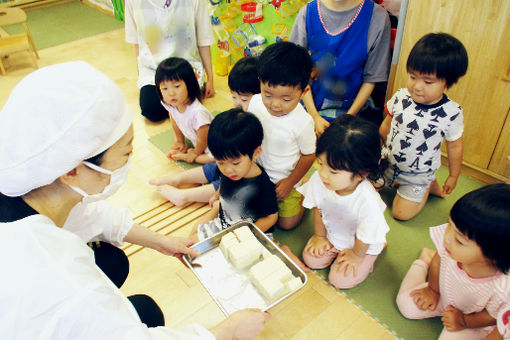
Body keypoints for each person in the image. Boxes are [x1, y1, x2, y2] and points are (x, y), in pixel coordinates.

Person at [0, 61, 269, 339]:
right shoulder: (64, 282)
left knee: (115, 263)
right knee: (145, 313)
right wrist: (226, 331)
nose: (129, 163)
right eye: (126, 154)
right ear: (72, 170)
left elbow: (92, 217)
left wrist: (164, 242)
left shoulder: (34, 188)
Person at [396, 184, 510, 340]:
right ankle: (423, 261)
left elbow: (492, 315)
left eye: (460, 240)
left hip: (472, 317)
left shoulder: (502, 287)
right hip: (443, 294)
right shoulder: (451, 245)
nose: (447, 238)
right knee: (406, 305)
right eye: (450, 225)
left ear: (494, 256)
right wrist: (432, 290)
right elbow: (437, 262)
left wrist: (464, 321)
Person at [379, 33, 468, 221]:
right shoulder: (401, 96)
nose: (417, 86)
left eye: (428, 81)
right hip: (388, 163)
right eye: (412, 76)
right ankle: (413, 184)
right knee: (365, 189)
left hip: (418, 174)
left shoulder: (451, 112)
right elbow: (387, 125)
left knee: (400, 214)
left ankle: (427, 185)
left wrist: (453, 175)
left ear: (448, 82)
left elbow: (455, 146)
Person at [149, 56, 261, 206]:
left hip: (245, 170)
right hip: (232, 160)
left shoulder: (258, 121)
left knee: (228, 179)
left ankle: (184, 196)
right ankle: (178, 179)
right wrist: (179, 141)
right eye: (234, 97)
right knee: (216, 167)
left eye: (244, 100)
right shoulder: (242, 115)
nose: (238, 104)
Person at [297, 115, 389, 289]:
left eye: (333, 171)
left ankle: (379, 247)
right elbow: (320, 208)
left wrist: (356, 255)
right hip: (335, 234)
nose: (323, 173)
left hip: (361, 245)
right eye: (320, 163)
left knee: (339, 280)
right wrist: (320, 236)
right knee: (310, 259)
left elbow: (365, 234)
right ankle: (334, 247)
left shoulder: (367, 201)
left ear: (361, 173)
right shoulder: (321, 180)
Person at [290, 0, 391, 135]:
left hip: (353, 110)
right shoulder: (307, 13)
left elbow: (372, 77)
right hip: (307, 106)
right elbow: (296, 73)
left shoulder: (377, 16)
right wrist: (314, 117)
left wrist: (348, 119)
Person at [248, 41, 316, 230]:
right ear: (260, 82)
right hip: (258, 173)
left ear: (303, 92)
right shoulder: (254, 103)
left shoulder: (303, 122)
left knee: (287, 225)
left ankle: (305, 189)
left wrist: (291, 182)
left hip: (286, 179)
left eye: (286, 99)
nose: (275, 104)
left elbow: (309, 155)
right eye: (268, 94)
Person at [191, 108, 279, 241]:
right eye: (220, 163)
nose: (227, 170)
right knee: (192, 237)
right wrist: (217, 194)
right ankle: (216, 209)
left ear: (255, 153)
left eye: (236, 163)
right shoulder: (230, 170)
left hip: (253, 233)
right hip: (226, 223)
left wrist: (246, 235)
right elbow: (223, 181)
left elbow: (271, 217)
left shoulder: (262, 186)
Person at [125, 0, 215, 122]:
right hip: (153, 71)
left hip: (186, 68)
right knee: (151, 110)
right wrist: (141, 79)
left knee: (186, 104)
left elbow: (204, 39)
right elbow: (137, 43)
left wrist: (210, 79)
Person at [155, 57, 214, 164]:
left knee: (215, 159)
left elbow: (204, 137)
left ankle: (185, 157)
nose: (171, 93)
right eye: (165, 88)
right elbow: (173, 116)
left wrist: (196, 152)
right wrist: (179, 141)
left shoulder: (197, 112)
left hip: (215, 144)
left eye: (176, 86)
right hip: (200, 143)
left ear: (189, 84)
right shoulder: (171, 104)